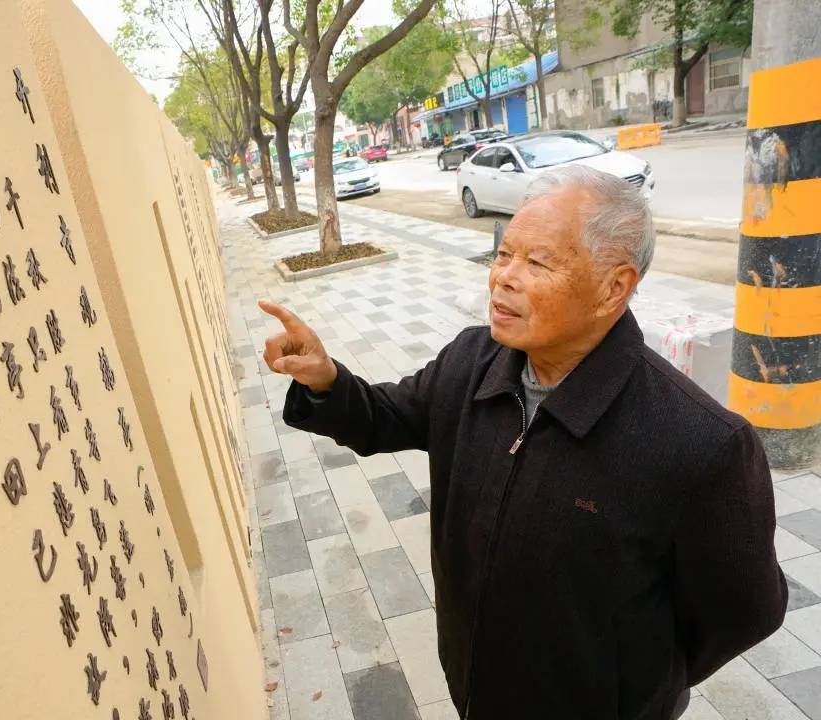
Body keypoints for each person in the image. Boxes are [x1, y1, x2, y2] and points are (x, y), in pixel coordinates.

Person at [259, 165, 787, 720]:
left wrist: (629, 681)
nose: (503, 278)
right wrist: (325, 379)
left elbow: (744, 612)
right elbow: (384, 417)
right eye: (504, 254)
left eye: (538, 262)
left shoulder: (701, 444)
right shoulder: (472, 361)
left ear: (614, 287)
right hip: (475, 686)